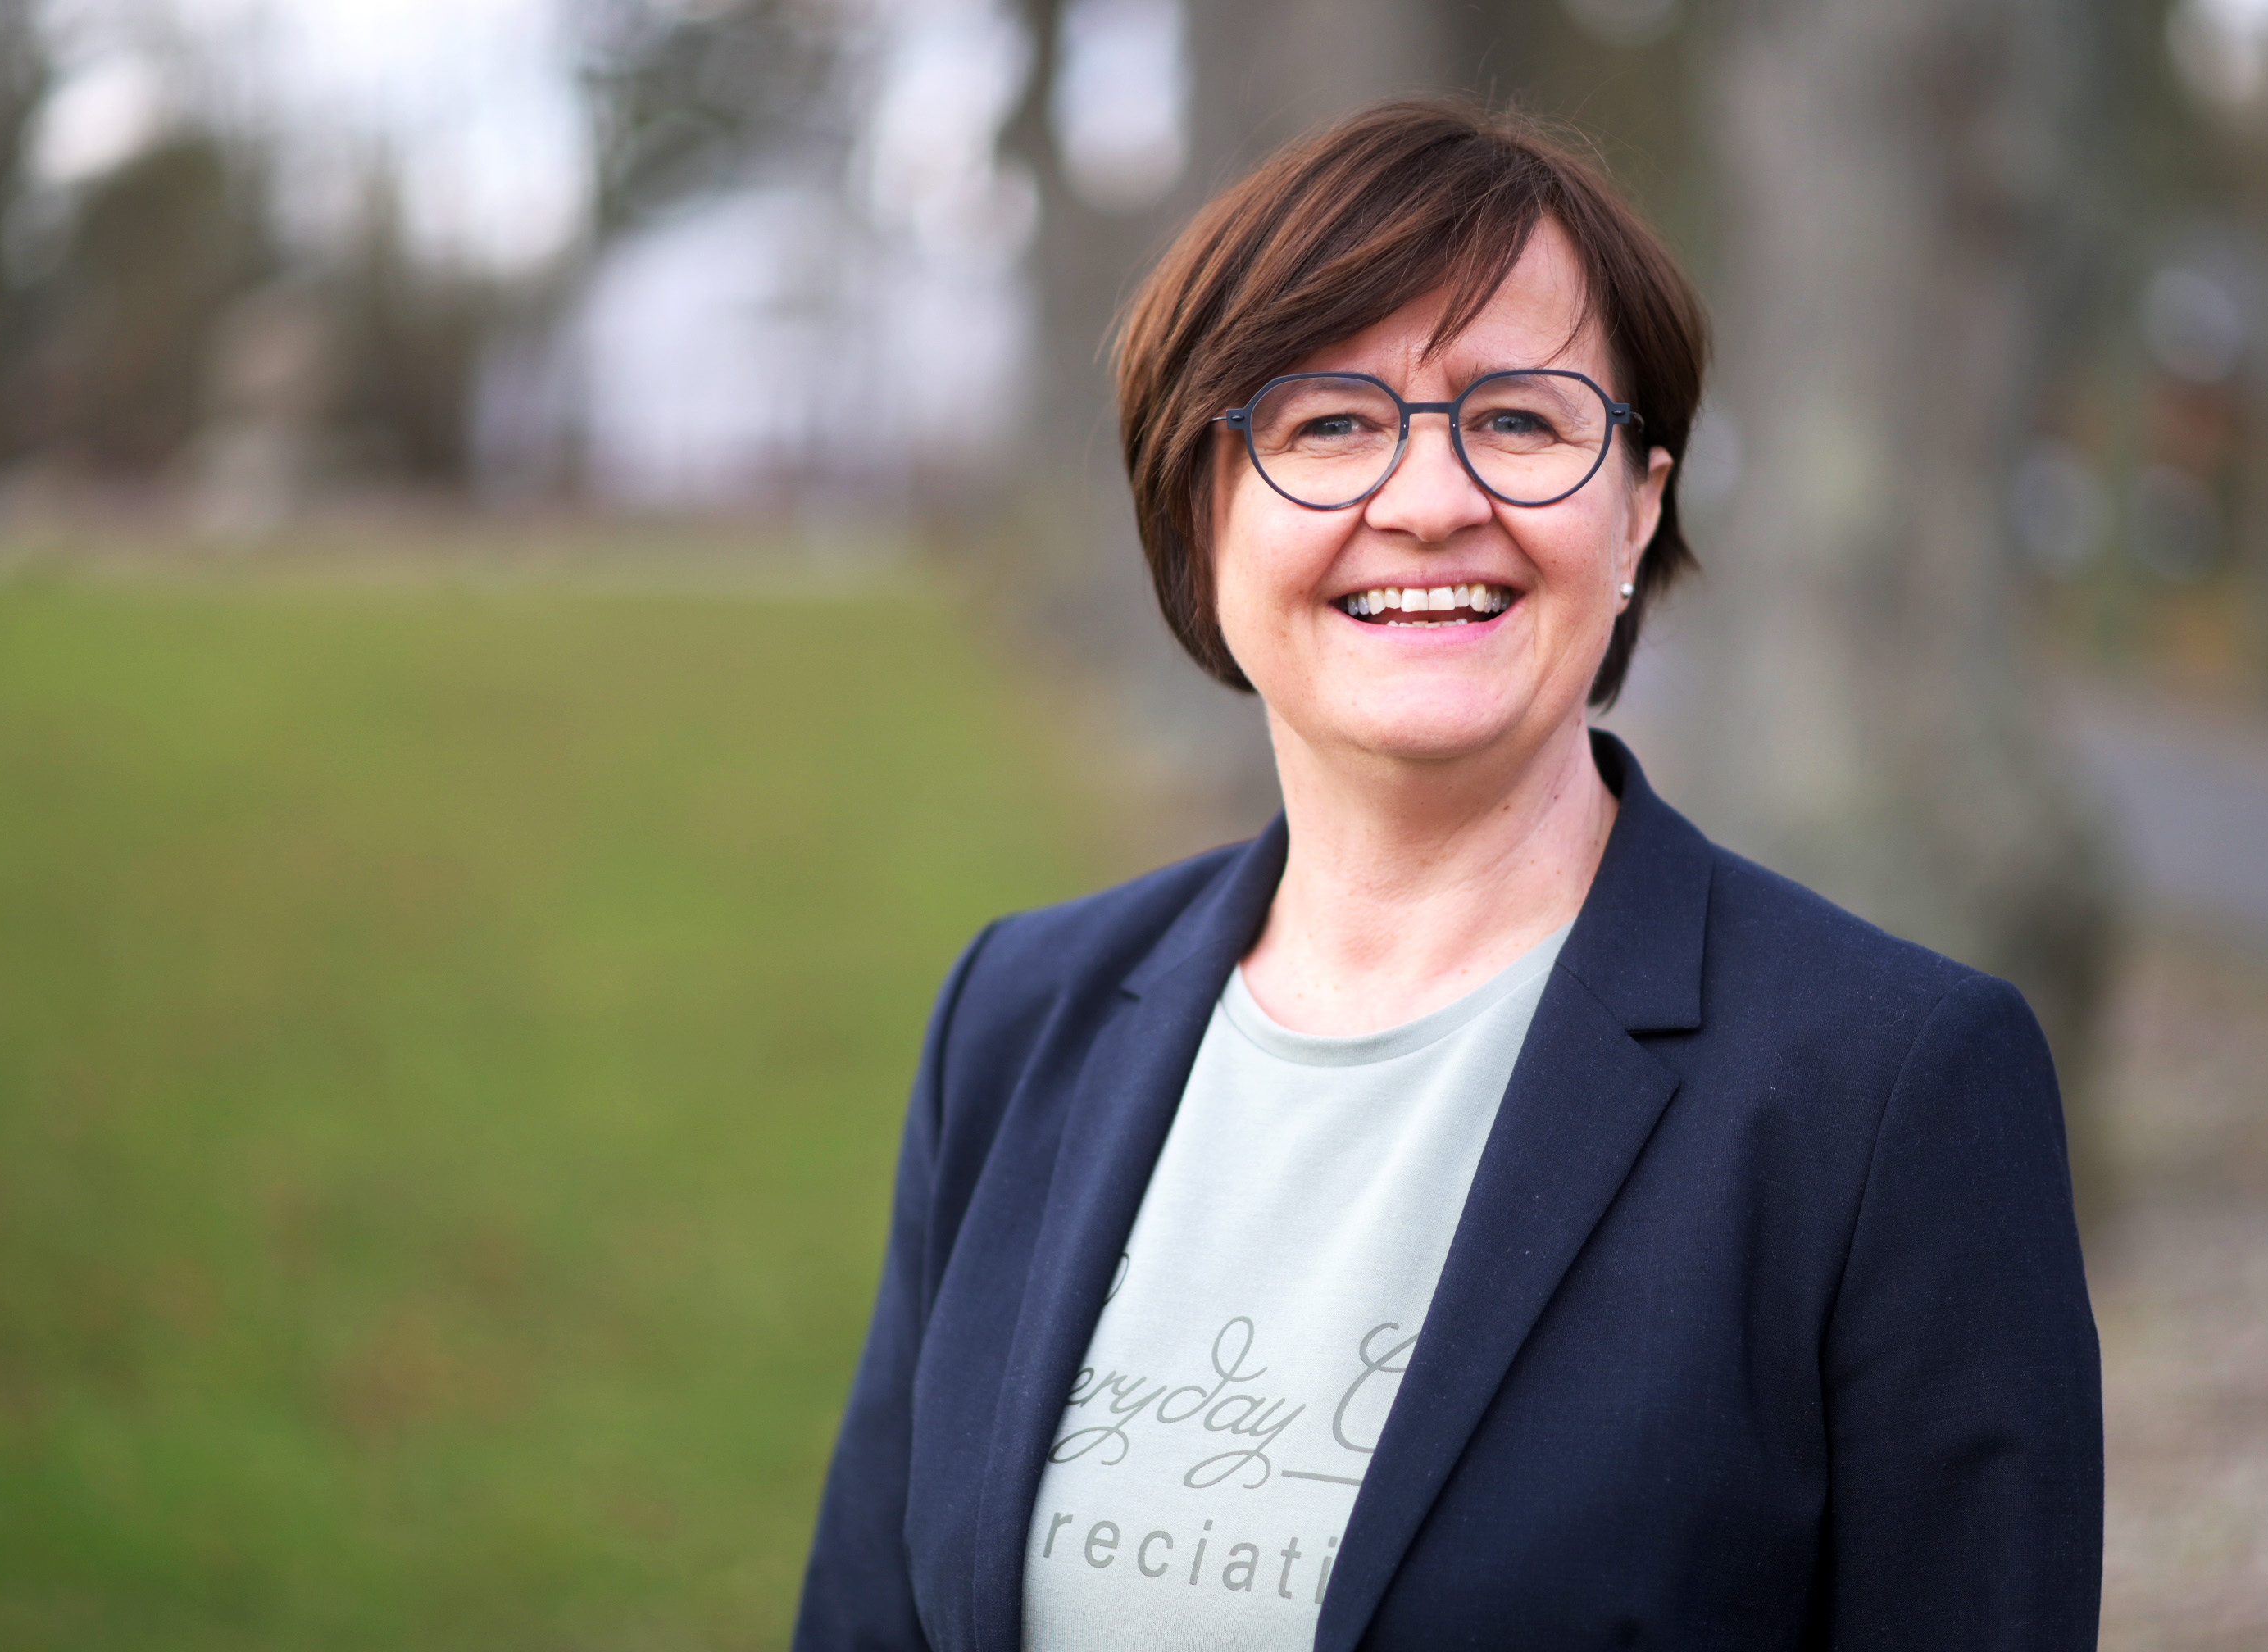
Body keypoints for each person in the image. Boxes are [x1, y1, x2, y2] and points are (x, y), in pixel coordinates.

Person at [792, 100, 2102, 1652]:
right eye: (1329, 424)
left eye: (1521, 421)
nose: (1427, 502)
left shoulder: (1887, 1091)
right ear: (1201, 510)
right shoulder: (1016, 1019)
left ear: (1639, 508)